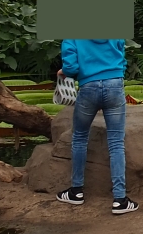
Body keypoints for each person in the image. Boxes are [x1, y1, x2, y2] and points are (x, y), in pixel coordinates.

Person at [56, 38, 136, 214]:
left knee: (79, 137)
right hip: (115, 84)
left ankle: (76, 192)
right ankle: (120, 199)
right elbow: (122, 58)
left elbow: (71, 68)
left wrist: (63, 71)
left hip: (88, 87)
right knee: (116, 142)